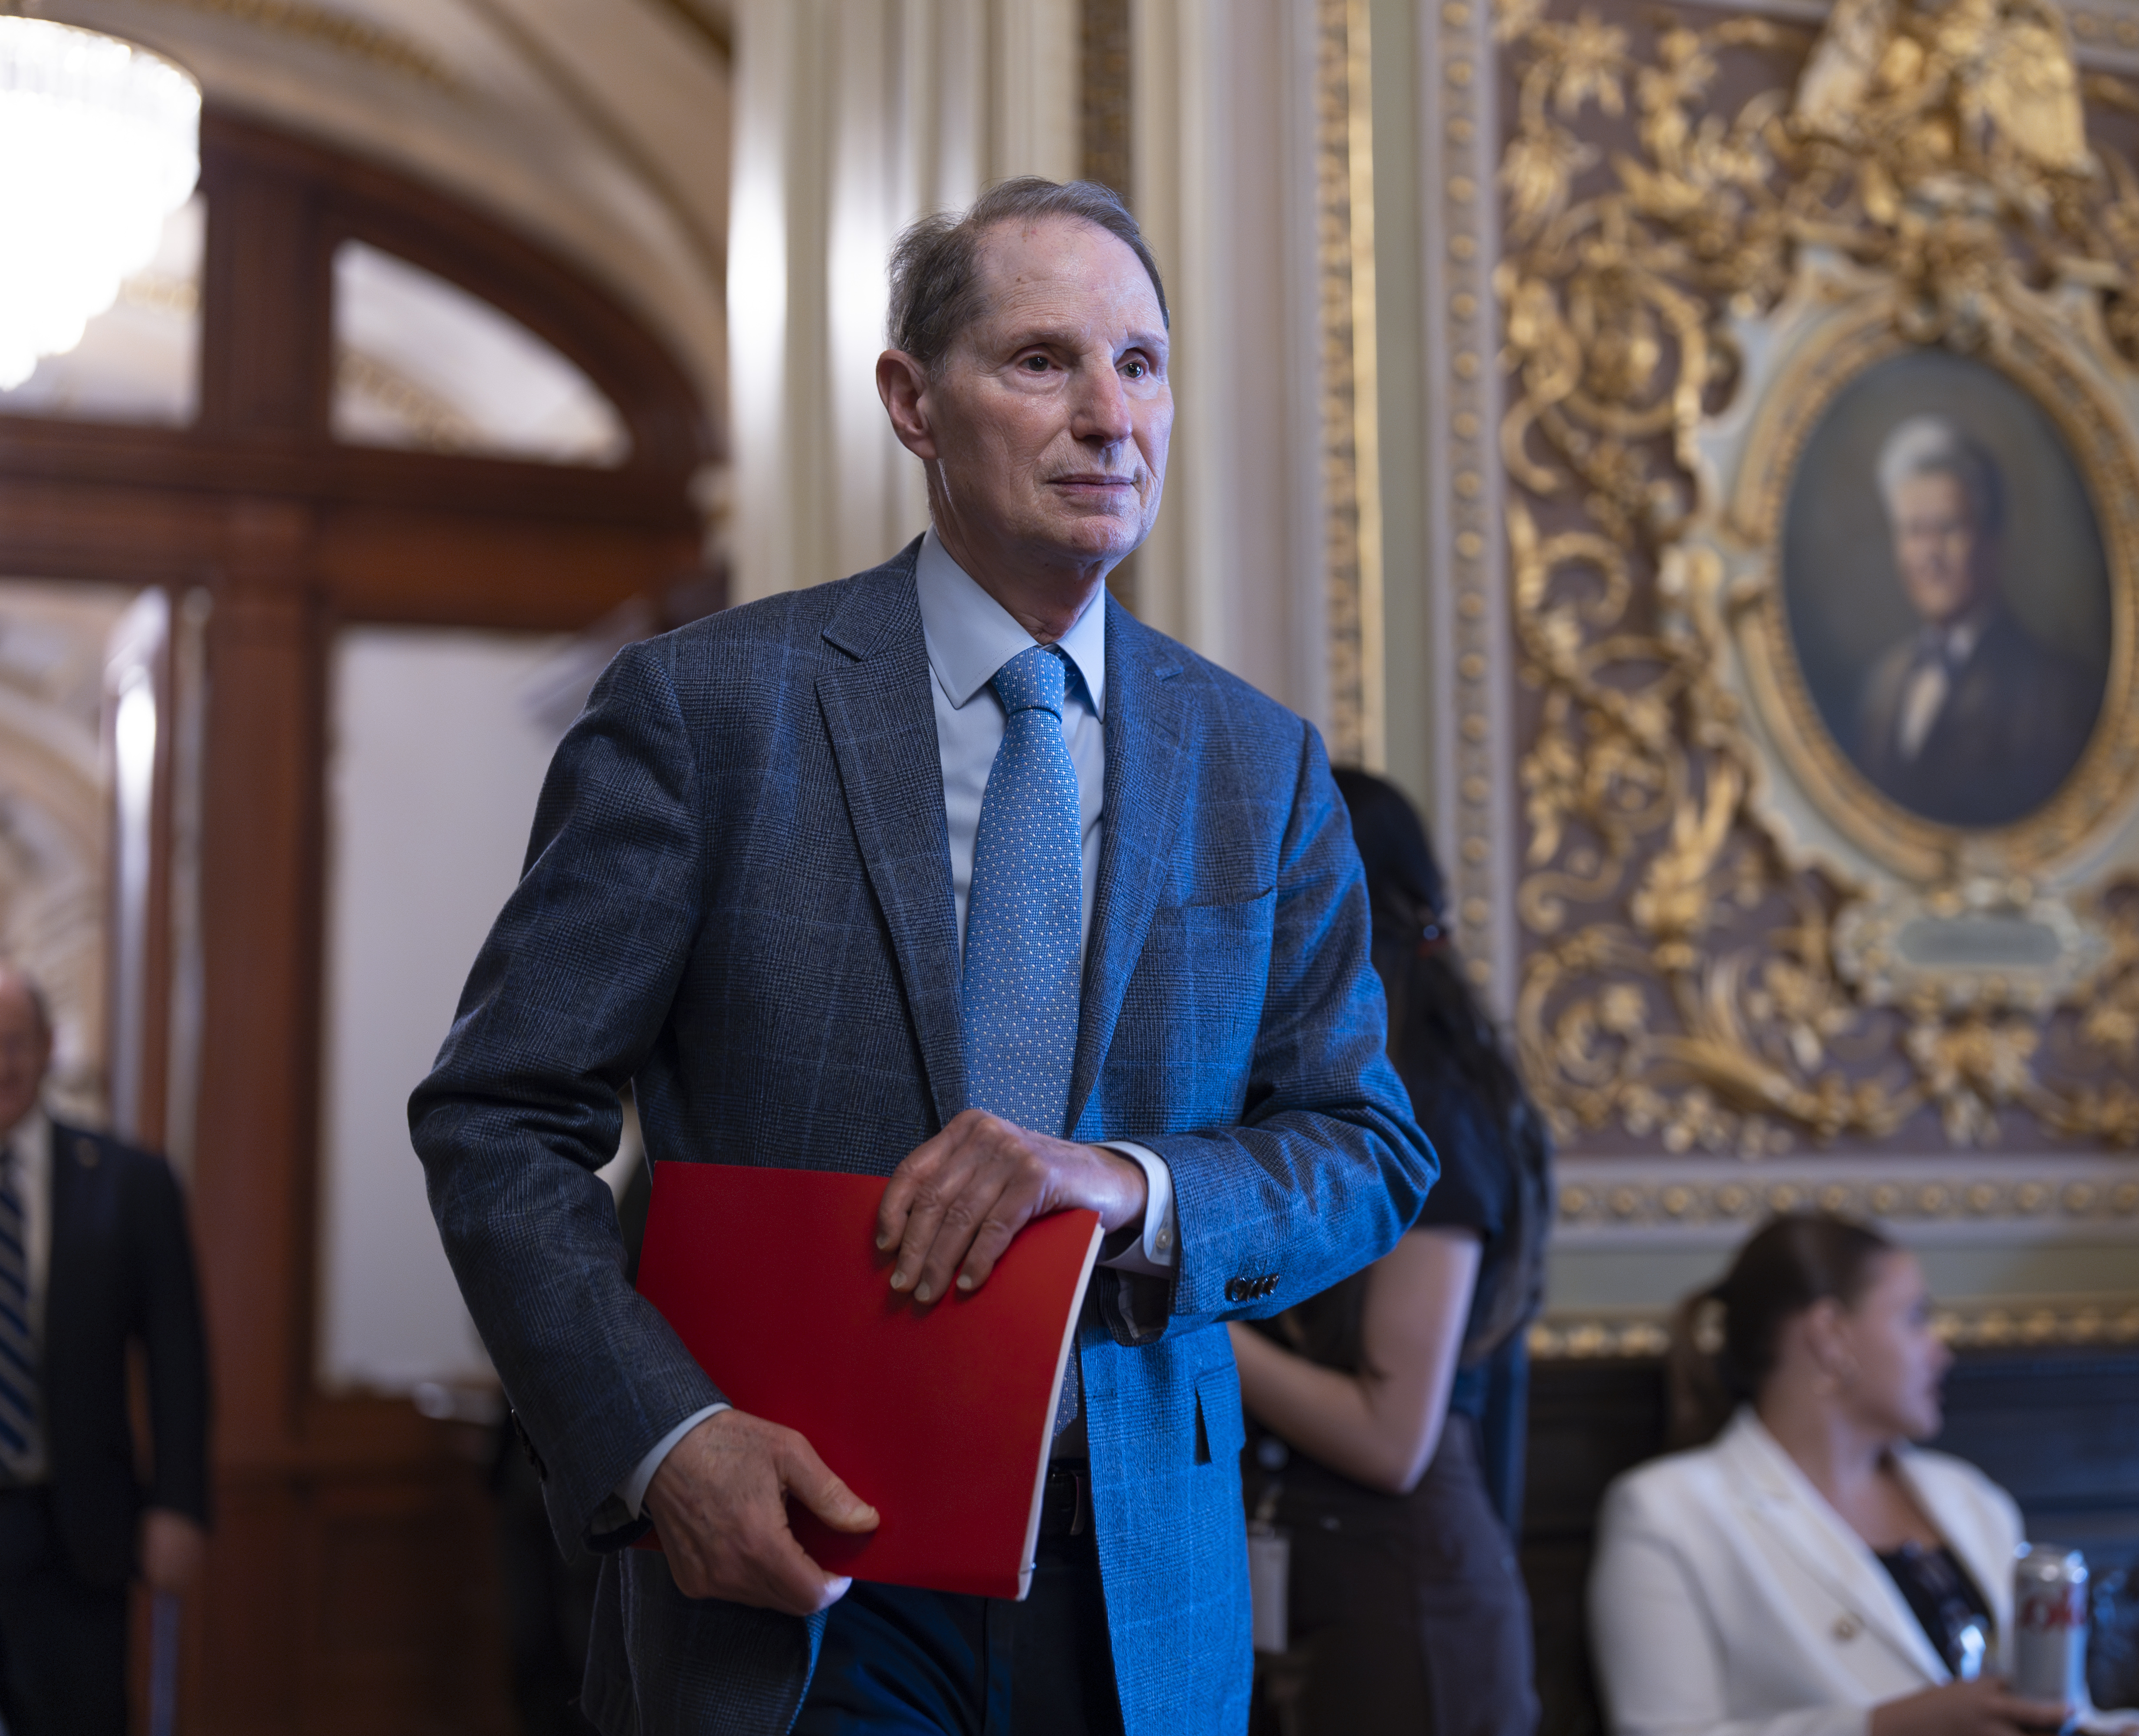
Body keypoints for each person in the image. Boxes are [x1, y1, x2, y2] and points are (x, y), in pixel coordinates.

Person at [410, 176, 1434, 1736]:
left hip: (1134, 1587)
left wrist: (1135, 1182)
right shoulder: (712, 713)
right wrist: (664, 1437)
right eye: (1041, 362)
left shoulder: (1260, 764)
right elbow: (498, 1116)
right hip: (792, 1573)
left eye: (1140, 364)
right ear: (913, 402)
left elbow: (1366, 1146)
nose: (1109, 415)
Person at [1229, 769, 1549, 1736]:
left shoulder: (1434, 1105)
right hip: (1323, 1562)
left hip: (1405, 1594)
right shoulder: (1344, 1085)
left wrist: (1184, 1318)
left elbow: (1391, 1434)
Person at [1589, 1215, 2139, 1736]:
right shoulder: (1666, 1513)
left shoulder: (1968, 1497)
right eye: (1917, 1318)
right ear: (1831, 1337)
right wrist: (1889, 1728)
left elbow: (2051, 1709)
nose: (1941, 1351)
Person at [0, 963, 210, 1736]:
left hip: (77, 1535)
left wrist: (180, 1505)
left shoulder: (132, 1181)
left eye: (15, 1043)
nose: (1, 1065)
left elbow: (179, 1360)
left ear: (50, 1048)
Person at [1850, 415, 2101, 828]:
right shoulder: (1882, 686)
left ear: (1992, 539)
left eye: (1948, 529)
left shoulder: (2057, 695)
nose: (1929, 555)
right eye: (1913, 531)